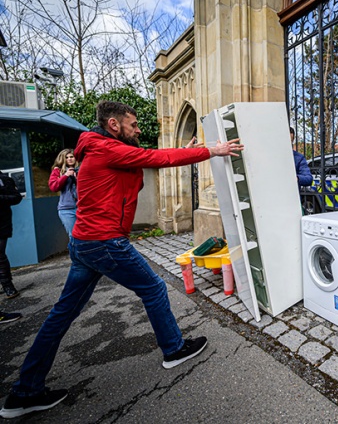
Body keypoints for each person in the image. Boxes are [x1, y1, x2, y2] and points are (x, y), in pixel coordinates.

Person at [0, 101, 244, 419]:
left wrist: (184, 150)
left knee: (61, 314)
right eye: (133, 123)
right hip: (104, 242)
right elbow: (152, 158)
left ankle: (24, 392)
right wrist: (214, 150)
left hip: (86, 244)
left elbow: (141, 161)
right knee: (154, 289)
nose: (139, 128)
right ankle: (173, 349)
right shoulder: (103, 147)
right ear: (114, 124)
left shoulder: (103, 148)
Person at [0, 169, 23, 299]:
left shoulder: (3, 179)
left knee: (0, 253)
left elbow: (16, 197)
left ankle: (7, 285)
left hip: (2, 222)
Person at [48, 149, 79, 237]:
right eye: (66, 157)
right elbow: (54, 187)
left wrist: (76, 178)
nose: (69, 159)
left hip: (82, 207)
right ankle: (74, 251)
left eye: (71, 157)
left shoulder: (81, 170)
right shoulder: (58, 171)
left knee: (87, 235)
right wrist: (65, 175)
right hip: (67, 209)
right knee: (73, 235)